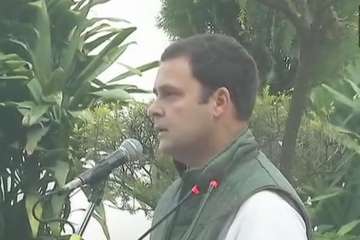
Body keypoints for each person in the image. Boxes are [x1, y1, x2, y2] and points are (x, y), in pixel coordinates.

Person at [147, 33, 311, 240]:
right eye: (156, 96)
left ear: (220, 102)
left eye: (170, 94)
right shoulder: (174, 198)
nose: (153, 109)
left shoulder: (265, 210)